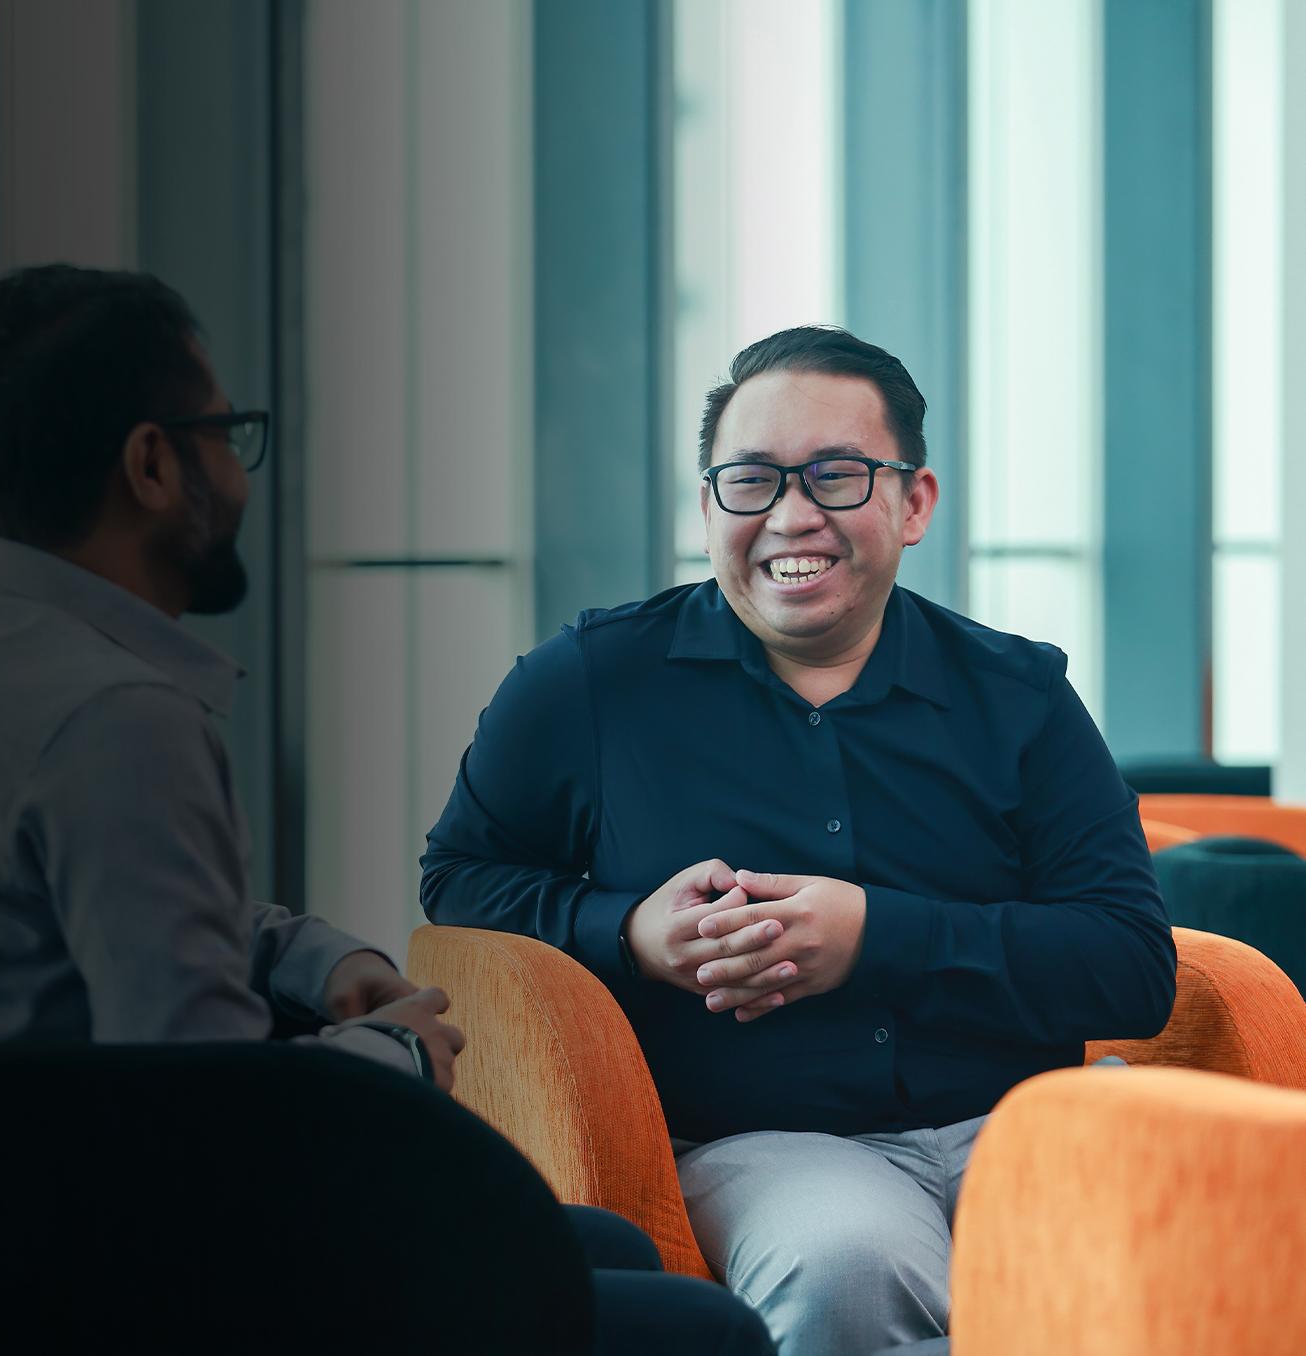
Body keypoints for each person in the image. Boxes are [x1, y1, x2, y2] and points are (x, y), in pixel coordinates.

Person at [0, 262, 773, 1356]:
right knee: (700, 1330)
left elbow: (117, 910)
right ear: (153, 463)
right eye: (224, 434)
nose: (241, 475)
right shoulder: (120, 718)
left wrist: (308, 957)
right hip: (124, 1275)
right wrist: (393, 1060)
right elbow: (202, 1112)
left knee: (604, 1249)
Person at [421, 325, 1177, 1356]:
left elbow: (1130, 968)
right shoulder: (590, 684)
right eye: (752, 482)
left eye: (835, 476)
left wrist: (874, 937)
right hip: (766, 1146)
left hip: (1022, 1124)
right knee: (847, 1268)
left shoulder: (1020, 697)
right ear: (708, 505)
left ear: (913, 503)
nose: (790, 516)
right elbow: (461, 881)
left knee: (1191, 1235)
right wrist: (627, 931)